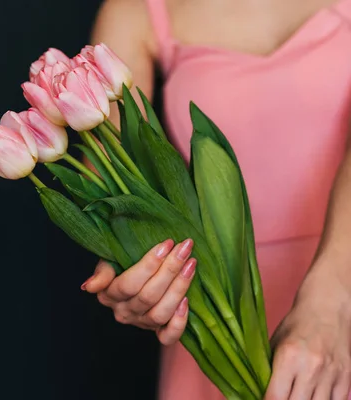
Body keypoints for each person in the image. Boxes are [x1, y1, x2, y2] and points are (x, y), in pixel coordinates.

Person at [80, 0, 351, 398]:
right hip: (224, 329)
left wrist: (333, 301)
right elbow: (109, 187)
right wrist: (135, 269)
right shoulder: (135, 12)